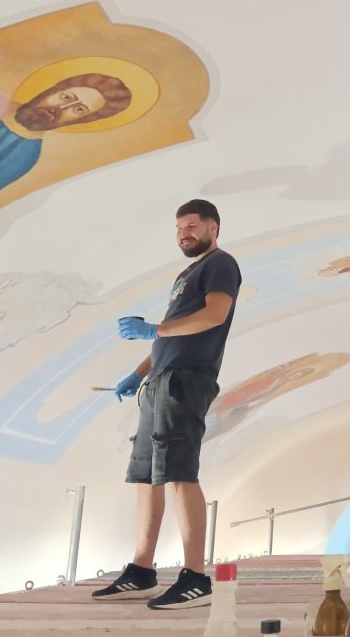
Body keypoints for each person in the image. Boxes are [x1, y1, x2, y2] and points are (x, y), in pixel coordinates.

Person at [92, 199, 241, 609]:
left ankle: (196, 578)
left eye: (192, 226)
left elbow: (214, 316)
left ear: (213, 227)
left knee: (178, 471)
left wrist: (153, 329)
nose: (184, 234)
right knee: (146, 476)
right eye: (178, 228)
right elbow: (170, 335)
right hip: (160, 381)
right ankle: (142, 570)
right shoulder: (186, 274)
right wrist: (137, 373)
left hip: (187, 379)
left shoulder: (221, 264)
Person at [0, 73, 132, 223]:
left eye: (79, 109)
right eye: (66, 97)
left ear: (80, 121)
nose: (59, 108)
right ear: (52, 91)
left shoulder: (27, 156)